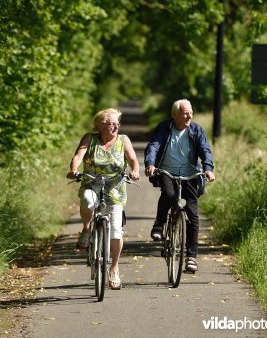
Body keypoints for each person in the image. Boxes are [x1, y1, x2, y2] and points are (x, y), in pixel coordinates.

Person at [67, 108, 140, 290]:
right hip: (92, 182)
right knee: (87, 200)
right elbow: (78, 156)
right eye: (110, 124)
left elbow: (133, 160)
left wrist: (135, 171)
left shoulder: (123, 140)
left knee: (116, 230)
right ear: (99, 126)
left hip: (115, 187)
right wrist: (74, 169)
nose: (115, 127)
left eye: (117, 124)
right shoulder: (89, 139)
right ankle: (86, 229)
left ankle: (114, 269)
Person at [144, 99, 215, 273]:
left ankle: (191, 257)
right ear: (174, 115)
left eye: (191, 112)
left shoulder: (196, 130)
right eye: (185, 113)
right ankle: (159, 225)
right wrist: (151, 164)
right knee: (169, 195)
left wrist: (208, 169)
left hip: (190, 174)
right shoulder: (164, 128)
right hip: (167, 172)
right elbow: (154, 145)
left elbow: (205, 150)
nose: (189, 115)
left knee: (192, 213)